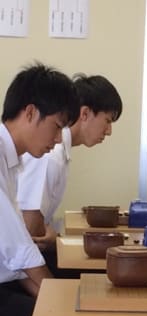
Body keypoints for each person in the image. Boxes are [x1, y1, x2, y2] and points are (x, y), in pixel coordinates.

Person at [0, 63, 79, 316]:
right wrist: (61, 308)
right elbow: (19, 251)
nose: (58, 140)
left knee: (72, 309)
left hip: (8, 277)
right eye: (56, 127)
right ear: (30, 112)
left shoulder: (11, 160)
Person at [16, 73, 122, 277]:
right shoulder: (50, 154)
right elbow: (31, 227)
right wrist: (56, 241)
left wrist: (55, 238)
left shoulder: (59, 152)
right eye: (107, 121)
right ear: (84, 114)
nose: (108, 131)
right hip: (20, 261)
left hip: (29, 252)